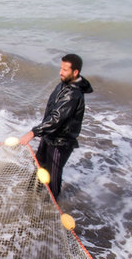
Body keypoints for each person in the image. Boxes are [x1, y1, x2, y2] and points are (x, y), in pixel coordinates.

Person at [19, 53, 93, 199]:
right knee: (39, 169)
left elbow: (56, 119)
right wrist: (43, 132)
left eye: (65, 70)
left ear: (75, 72)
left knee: (53, 177)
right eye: (61, 68)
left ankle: (51, 208)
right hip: (49, 136)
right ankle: (30, 196)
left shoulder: (73, 94)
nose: (60, 72)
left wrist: (33, 132)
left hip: (60, 142)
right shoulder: (64, 84)